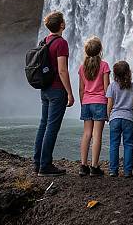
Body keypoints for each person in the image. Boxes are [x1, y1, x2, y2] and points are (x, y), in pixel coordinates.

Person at [33, 11, 75, 177]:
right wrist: (70, 93)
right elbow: (63, 70)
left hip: (45, 89)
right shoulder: (61, 43)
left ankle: (37, 163)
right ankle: (45, 165)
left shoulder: (44, 41)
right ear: (62, 25)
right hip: (57, 89)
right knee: (52, 127)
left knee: (43, 125)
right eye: (63, 21)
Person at [78, 36, 110, 176]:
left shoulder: (81, 68)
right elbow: (107, 87)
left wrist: (83, 102)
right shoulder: (104, 66)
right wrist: (109, 105)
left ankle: (83, 166)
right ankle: (94, 167)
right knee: (97, 134)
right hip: (100, 102)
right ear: (100, 50)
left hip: (86, 102)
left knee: (86, 134)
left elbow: (81, 89)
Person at [106, 61, 133, 177]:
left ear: (115, 74)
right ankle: (128, 171)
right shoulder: (132, 86)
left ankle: (113, 170)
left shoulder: (112, 86)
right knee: (128, 144)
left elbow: (109, 103)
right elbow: (132, 104)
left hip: (115, 118)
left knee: (114, 144)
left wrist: (108, 116)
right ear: (128, 72)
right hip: (128, 118)